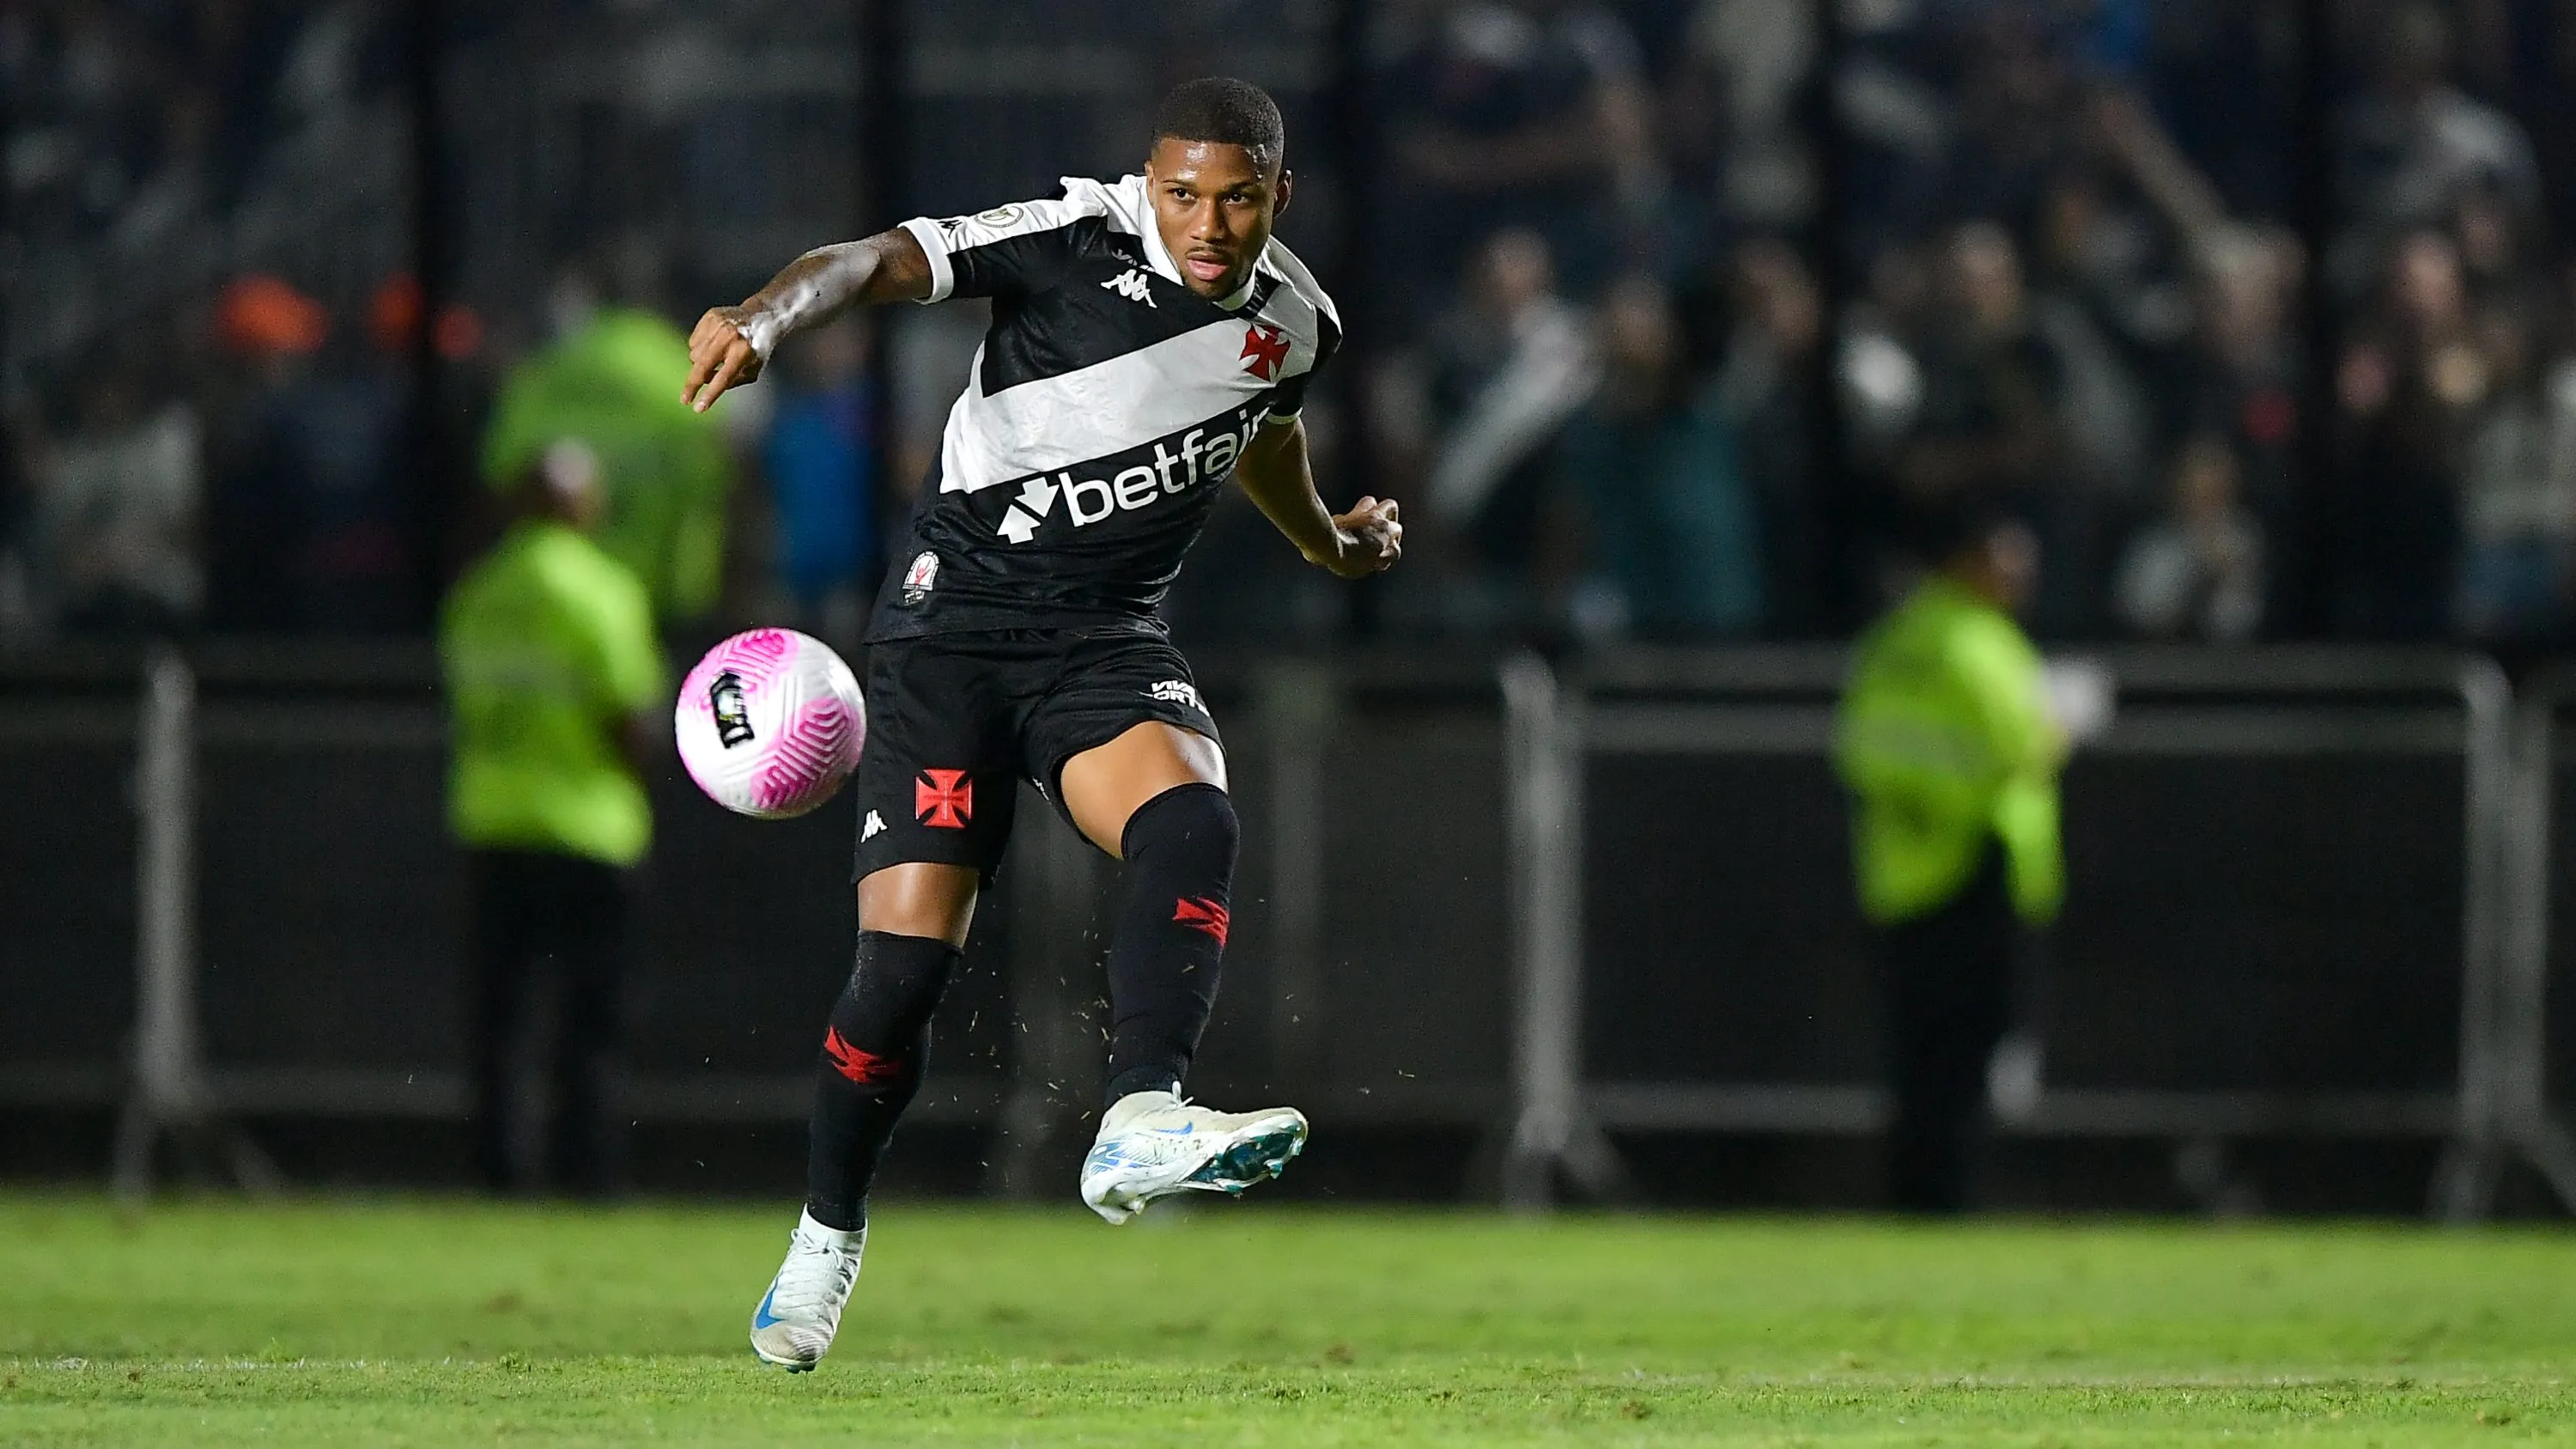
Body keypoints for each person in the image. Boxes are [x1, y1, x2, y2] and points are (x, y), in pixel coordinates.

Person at [679, 77, 1401, 1372]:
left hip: (1107, 641)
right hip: (950, 637)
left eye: (1238, 198)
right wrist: (761, 315)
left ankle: (1140, 1114)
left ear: (1278, 197)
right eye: (1184, 193)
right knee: (899, 981)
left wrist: (1328, 539)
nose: (1209, 222)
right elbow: (871, 259)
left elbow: (1262, 433)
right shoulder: (1076, 235)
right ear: (1150, 181)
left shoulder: (1301, 322)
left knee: (1193, 815)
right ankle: (823, 1236)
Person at [438, 439, 665, 1197]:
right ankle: (587, 1174)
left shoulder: (478, 592)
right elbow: (626, 717)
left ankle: (496, 1173)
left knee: (498, 1019)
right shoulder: (602, 591)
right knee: (590, 1017)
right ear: (584, 506)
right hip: (589, 827)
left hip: (495, 822)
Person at [1835, 508, 2065, 1214]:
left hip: (1906, 872)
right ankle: (1946, 1200)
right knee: (1964, 1057)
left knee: (1919, 1059)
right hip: (1974, 868)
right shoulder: (1974, 640)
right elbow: (2023, 744)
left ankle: (1921, 1199)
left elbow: (1863, 744)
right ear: (1964, 558)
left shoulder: (1894, 640)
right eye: (2005, 552)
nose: (2021, 568)